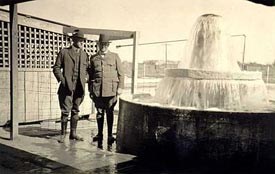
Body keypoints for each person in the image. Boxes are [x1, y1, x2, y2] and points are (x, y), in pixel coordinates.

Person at [88, 34, 124, 150]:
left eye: (105, 44)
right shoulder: (93, 58)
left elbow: (121, 74)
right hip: (98, 90)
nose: (103, 46)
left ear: (108, 45)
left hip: (111, 90)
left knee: (110, 112)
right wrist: (90, 89)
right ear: (98, 45)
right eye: (101, 44)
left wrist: (120, 88)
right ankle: (100, 134)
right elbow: (91, 75)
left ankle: (109, 135)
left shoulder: (115, 56)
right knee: (99, 113)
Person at [53, 29, 89, 143]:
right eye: (78, 39)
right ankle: (63, 134)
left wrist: (86, 78)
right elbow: (56, 68)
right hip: (66, 87)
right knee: (65, 111)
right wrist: (62, 81)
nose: (80, 42)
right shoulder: (64, 52)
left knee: (76, 110)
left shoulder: (84, 54)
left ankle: (73, 133)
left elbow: (88, 70)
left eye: (82, 40)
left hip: (79, 88)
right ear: (73, 40)